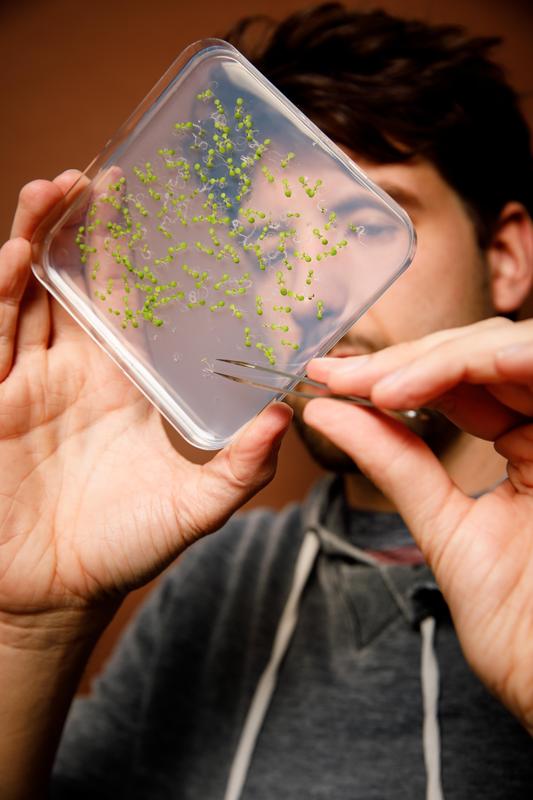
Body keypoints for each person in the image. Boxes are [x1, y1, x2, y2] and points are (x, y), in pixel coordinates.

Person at [0, 4, 532, 798]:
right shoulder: (215, 579)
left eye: (360, 225)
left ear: (506, 256)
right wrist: (26, 629)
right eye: (270, 247)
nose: (308, 290)